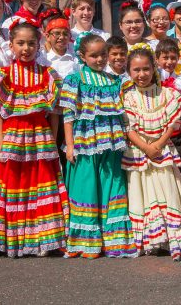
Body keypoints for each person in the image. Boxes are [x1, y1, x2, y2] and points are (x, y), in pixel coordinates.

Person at [0, 21, 69, 257]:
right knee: (13, 184)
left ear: (39, 45)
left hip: (40, 138)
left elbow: (55, 114)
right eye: (20, 43)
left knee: (39, 183)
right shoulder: (3, 76)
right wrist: (1, 143)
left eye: (31, 43)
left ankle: (42, 238)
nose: (26, 48)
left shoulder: (48, 75)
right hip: (11, 139)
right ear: (11, 45)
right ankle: (13, 239)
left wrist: (53, 142)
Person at [121, 44, 181, 260]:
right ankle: (151, 239)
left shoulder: (169, 94)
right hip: (138, 152)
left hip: (162, 151)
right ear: (129, 72)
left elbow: (174, 124)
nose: (142, 74)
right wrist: (145, 147)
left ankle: (172, 235)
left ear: (154, 68)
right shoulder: (128, 97)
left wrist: (158, 145)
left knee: (168, 189)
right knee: (142, 193)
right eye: (136, 70)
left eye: (146, 69)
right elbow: (128, 127)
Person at [60, 34, 137, 258]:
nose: (100, 59)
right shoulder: (74, 80)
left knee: (112, 185)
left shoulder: (115, 81)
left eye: (103, 54)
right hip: (84, 142)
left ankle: (113, 240)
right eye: (94, 55)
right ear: (82, 56)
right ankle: (85, 241)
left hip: (111, 142)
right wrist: (70, 146)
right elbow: (68, 115)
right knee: (85, 188)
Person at [38, 10, 79, 80]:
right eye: (57, 33)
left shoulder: (76, 59)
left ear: (70, 36)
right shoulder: (43, 60)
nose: (61, 37)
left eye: (65, 34)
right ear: (48, 36)